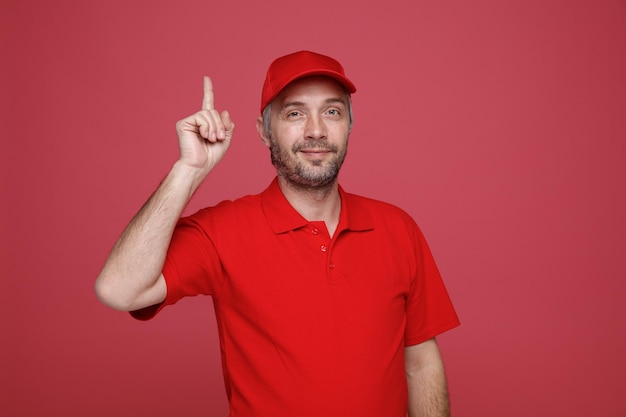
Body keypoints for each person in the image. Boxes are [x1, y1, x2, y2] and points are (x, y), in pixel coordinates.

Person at [95, 50, 460, 417]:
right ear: (264, 132)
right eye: (295, 113)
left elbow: (420, 363)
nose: (316, 130)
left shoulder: (398, 228)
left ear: (349, 124)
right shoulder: (220, 231)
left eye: (332, 111)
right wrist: (188, 170)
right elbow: (119, 289)